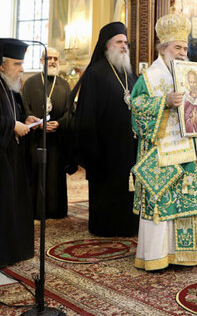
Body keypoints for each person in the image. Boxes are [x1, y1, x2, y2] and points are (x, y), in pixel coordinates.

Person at [129, 13, 197, 271]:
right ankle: (158, 256)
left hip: (188, 153)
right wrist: (163, 102)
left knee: (188, 203)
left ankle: (186, 255)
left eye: (185, 48)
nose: (182, 52)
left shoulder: (194, 74)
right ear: (163, 48)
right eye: (177, 47)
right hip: (161, 155)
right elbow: (136, 110)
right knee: (162, 204)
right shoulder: (149, 77)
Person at [73, 22, 139, 236]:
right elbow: (87, 115)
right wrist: (92, 151)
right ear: (107, 45)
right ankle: (105, 227)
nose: (124, 46)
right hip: (105, 148)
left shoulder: (130, 73)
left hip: (129, 145)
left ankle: (129, 224)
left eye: (125, 43)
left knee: (128, 189)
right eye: (119, 42)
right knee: (107, 191)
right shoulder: (96, 73)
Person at [0, 38, 37, 268]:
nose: (22, 69)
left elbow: (15, 114)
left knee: (14, 202)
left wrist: (25, 120)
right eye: (17, 64)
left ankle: (15, 249)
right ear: (2, 65)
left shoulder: (11, 85)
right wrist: (11, 125)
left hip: (13, 155)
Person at [21, 47, 72, 219]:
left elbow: (70, 112)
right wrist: (37, 123)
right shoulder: (31, 82)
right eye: (49, 58)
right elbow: (24, 109)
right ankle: (36, 211)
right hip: (36, 138)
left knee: (55, 174)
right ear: (41, 61)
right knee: (37, 173)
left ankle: (56, 210)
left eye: (55, 59)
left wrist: (59, 123)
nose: (52, 61)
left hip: (57, 140)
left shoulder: (64, 85)